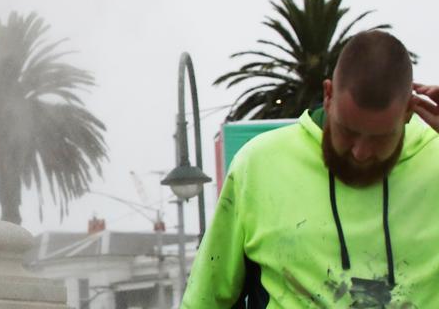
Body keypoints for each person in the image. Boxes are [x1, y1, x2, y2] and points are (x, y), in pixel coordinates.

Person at [182, 30, 439, 307]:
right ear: (328, 95)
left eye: (380, 138)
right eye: (348, 131)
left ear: (408, 111)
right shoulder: (258, 164)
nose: (360, 152)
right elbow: (205, 300)